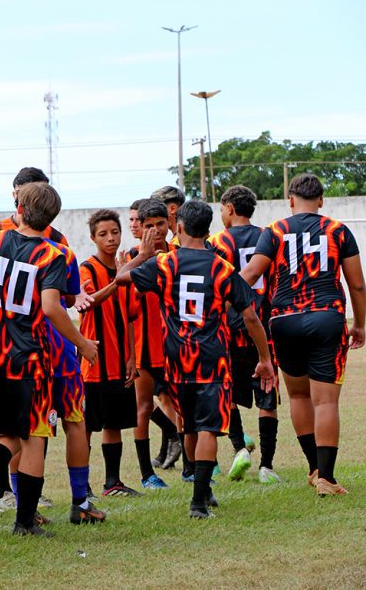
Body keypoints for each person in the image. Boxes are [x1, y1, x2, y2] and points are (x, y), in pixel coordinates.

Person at [0, 182, 99, 536]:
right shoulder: (54, 255)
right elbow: (52, 306)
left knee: (6, 433)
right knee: (34, 437)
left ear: (20, 210)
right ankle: (24, 522)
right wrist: (83, 343)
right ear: (51, 219)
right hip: (31, 359)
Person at [117, 200, 276, 519]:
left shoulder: (165, 265)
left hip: (175, 359)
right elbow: (250, 317)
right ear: (208, 230)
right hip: (211, 358)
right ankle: (198, 501)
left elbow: (122, 278)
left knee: (188, 426)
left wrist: (145, 256)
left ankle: (201, 487)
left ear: (178, 228)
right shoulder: (221, 267)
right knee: (207, 429)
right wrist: (265, 358)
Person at [241, 174, 365, 496]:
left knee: (297, 396)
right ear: (321, 200)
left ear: (290, 200)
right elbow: (357, 285)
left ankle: (313, 468)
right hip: (327, 318)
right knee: (325, 401)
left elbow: (251, 273)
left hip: (284, 320)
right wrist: (360, 324)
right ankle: (326, 477)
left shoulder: (276, 231)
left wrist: (221, 294)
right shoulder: (338, 231)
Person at [208, 185, 280, 483]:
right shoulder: (270, 237)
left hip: (229, 330)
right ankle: (267, 466)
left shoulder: (217, 242)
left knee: (229, 396)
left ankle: (240, 450)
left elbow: (215, 285)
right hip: (264, 328)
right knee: (268, 397)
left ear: (229, 209)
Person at [79, 210, 148, 495]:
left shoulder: (124, 271)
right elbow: (87, 303)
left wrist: (132, 356)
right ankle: (81, 485)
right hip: (94, 361)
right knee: (86, 427)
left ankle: (112, 482)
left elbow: (131, 315)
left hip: (120, 361)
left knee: (115, 423)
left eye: (115, 233)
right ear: (93, 238)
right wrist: (118, 279)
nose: (111, 238)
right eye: (103, 234)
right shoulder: (86, 268)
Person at [130, 200, 182, 474]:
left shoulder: (179, 254)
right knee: (144, 405)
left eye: (160, 224)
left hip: (176, 342)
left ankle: (190, 466)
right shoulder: (131, 257)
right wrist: (143, 257)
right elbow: (125, 295)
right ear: (140, 227)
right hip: (143, 344)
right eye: (148, 226)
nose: (155, 231)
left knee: (180, 404)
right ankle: (146, 473)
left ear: (168, 224)